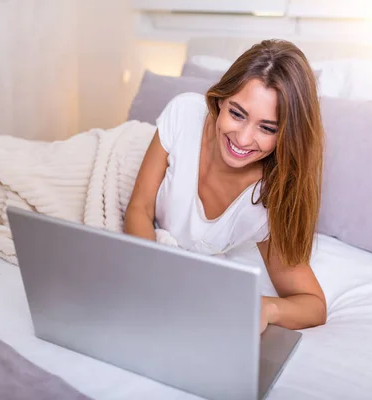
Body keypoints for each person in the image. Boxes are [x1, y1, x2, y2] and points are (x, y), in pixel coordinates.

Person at [124, 39, 326, 333]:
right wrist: (154, 275)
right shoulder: (184, 112)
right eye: (237, 114)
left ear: (287, 135)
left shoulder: (268, 202)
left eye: (267, 128)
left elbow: (313, 305)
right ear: (220, 100)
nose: (243, 139)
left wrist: (265, 307)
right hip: (115, 157)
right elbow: (139, 206)